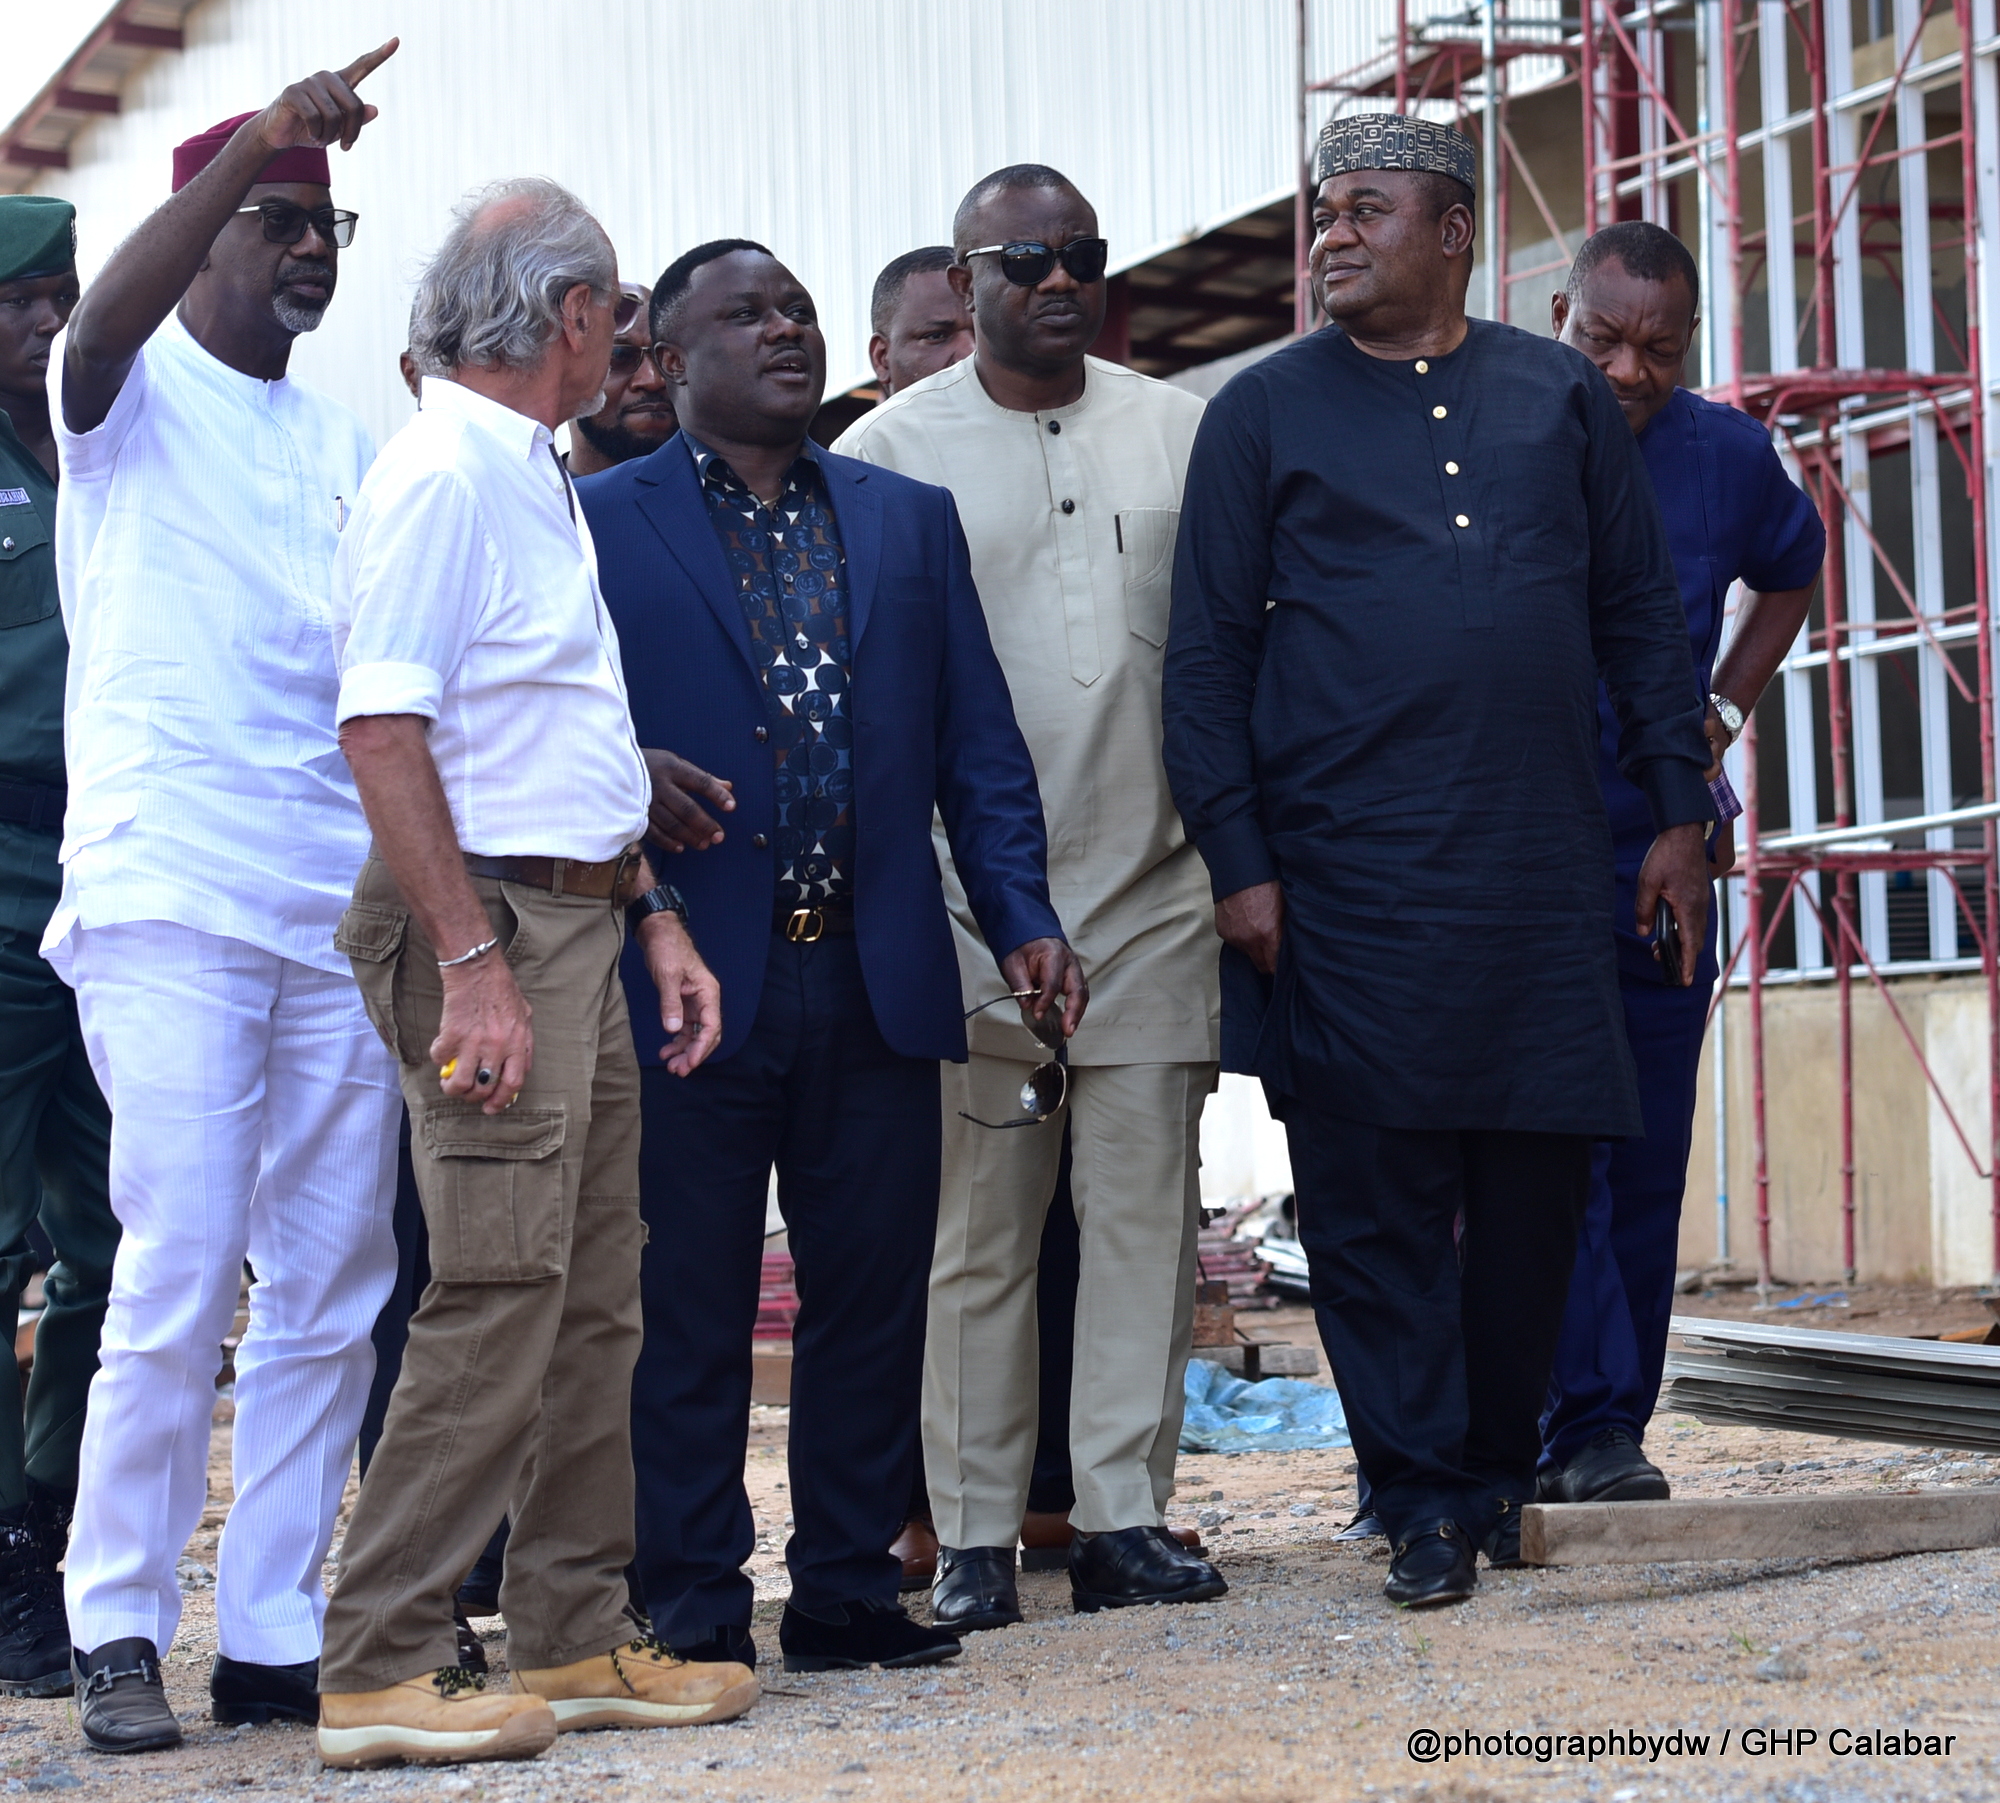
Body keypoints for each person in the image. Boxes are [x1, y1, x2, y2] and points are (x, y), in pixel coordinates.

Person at [1162, 114, 1715, 1610]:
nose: (1333, 235)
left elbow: (1637, 616)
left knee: (1535, 1186)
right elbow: (1206, 660)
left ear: (1455, 229)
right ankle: (1412, 1493)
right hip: (1345, 878)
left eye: (1366, 210)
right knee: (1372, 1198)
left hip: (1538, 872)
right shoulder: (1261, 412)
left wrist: (1680, 814)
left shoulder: (1554, 398)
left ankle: (1483, 1469)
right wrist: (1242, 861)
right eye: (1323, 213)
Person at [580, 238, 1080, 1674]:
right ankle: (689, 1593)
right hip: (684, 976)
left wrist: (1024, 917)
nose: (786, 331)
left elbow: (978, 750)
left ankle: (848, 1587)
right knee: (689, 1306)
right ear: (669, 362)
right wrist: (623, 782)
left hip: (874, 968)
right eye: (745, 316)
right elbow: (542, 721)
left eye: (797, 308)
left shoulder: (905, 520)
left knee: (872, 1296)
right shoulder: (595, 522)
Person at [315, 180, 758, 1767]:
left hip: (568, 913)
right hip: (491, 924)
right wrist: (475, 965)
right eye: (621, 317)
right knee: (498, 1286)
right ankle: (377, 1657)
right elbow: (382, 726)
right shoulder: (446, 473)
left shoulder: (520, 470)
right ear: (570, 317)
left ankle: (571, 1631)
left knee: (589, 1296)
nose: (624, 342)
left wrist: (651, 913)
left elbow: (547, 729)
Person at [45, 52, 412, 1753]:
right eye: (272, 220)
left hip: (328, 904)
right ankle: (117, 1617)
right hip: (173, 883)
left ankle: (269, 1625)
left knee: (331, 1279)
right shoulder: (117, 396)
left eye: (323, 225)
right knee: (177, 1264)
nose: (305, 247)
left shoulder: (353, 444)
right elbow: (99, 321)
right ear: (200, 240)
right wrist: (257, 132)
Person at [837, 165, 1225, 1630]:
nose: (1056, 279)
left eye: (1080, 254)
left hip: (1153, 897)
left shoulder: (1180, 432)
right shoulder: (885, 456)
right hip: (968, 923)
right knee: (981, 1232)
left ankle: (1125, 1514)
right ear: (966, 276)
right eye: (1023, 257)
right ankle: (981, 1534)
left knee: (1141, 1220)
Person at [1540, 221, 1823, 1503]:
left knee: (1645, 1147)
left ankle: (1608, 1429)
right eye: (1602, 339)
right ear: (1559, 316)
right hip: (1518, 852)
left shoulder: (1722, 453)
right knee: (1549, 1148)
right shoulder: (1501, 431)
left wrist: (1723, 709)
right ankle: (1554, 1418)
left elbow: (1791, 569)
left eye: (1657, 347)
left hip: (1664, 849)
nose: (1627, 371)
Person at [0, 195, 119, 1702]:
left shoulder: (117, 443)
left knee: (127, 1234)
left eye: (62, 298)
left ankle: (58, 1504)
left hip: (125, 860)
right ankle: (9, 1559)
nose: (47, 323)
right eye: (18, 301)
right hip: (0, 860)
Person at [565, 280, 676, 474]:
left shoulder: (725, 496)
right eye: (619, 355)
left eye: (667, 357)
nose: (653, 380)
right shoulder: (520, 499)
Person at [867, 246, 973, 397]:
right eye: (936, 336)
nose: (970, 352)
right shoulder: (873, 422)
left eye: (985, 334)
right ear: (882, 359)